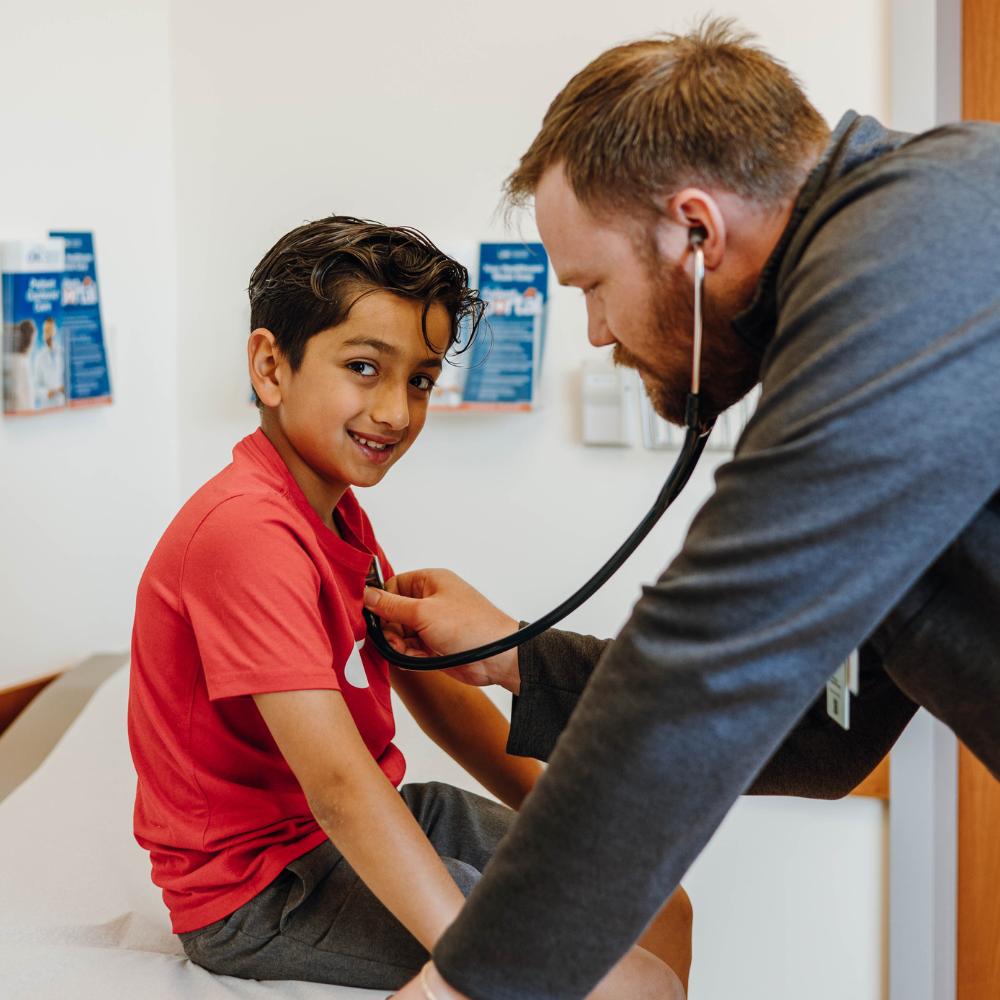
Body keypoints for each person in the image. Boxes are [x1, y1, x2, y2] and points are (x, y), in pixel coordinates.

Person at [366, 20, 1000, 1000]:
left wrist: (463, 987)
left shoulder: (924, 244)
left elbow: (702, 666)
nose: (596, 331)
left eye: (593, 286)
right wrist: (518, 656)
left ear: (695, 232)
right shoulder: (882, 308)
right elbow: (821, 733)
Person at [127, 216, 687, 998]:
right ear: (269, 366)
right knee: (625, 983)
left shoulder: (337, 517)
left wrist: (563, 823)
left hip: (354, 827)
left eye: (420, 380)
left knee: (655, 902)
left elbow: (442, 700)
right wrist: (472, 957)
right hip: (264, 891)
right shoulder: (245, 532)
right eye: (364, 367)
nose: (395, 410)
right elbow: (338, 787)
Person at [33, 316, 65, 409]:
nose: (49, 334)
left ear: (55, 331)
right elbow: (35, 387)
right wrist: (48, 392)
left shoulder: (62, 353)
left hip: (62, 405)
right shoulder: (39, 358)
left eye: (50, 330)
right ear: (43, 334)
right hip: (47, 407)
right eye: (46, 331)